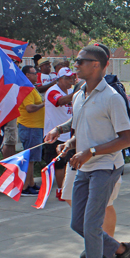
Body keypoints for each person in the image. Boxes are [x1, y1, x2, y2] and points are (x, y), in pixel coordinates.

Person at [58, 45, 130, 258]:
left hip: (105, 168)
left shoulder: (112, 98)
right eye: (76, 60)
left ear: (97, 65)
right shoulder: (80, 93)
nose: (75, 65)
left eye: (81, 61)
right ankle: (121, 250)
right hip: (85, 167)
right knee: (77, 224)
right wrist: (68, 143)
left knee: (91, 226)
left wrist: (90, 151)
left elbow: (126, 139)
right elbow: (80, 127)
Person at [44, 67, 75, 200]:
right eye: (67, 78)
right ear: (59, 79)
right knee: (59, 164)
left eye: (72, 78)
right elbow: (60, 101)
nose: (70, 81)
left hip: (68, 134)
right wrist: (78, 93)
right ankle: (60, 190)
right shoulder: (52, 91)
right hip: (54, 134)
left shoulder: (71, 90)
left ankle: (68, 188)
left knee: (69, 162)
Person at [18, 65, 45, 196]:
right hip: (30, 127)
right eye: (34, 73)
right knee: (29, 158)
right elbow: (29, 108)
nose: (37, 75)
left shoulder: (30, 88)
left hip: (34, 126)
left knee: (32, 158)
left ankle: (31, 182)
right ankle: (25, 186)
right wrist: (44, 104)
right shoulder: (26, 89)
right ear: (27, 75)